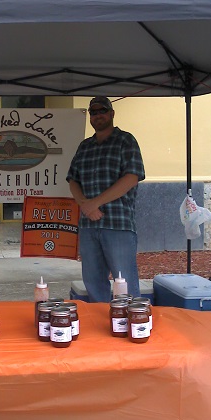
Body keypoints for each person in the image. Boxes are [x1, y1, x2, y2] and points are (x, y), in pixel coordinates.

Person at [67, 96, 145, 302]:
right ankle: (99, 320)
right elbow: (73, 180)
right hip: (88, 225)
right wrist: (85, 205)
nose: (98, 115)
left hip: (118, 224)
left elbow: (132, 177)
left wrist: (95, 203)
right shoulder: (84, 146)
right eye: (93, 112)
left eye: (102, 111)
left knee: (124, 283)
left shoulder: (126, 141)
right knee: (93, 283)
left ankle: (129, 320)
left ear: (112, 113)